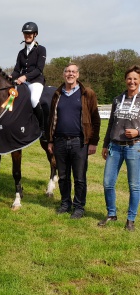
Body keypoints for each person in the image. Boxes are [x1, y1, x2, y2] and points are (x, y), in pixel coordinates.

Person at [47, 63, 101, 219]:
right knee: (63, 176)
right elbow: (51, 119)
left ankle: (79, 207)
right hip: (60, 142)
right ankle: (65, 203)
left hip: (80, 142)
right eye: (67, 71)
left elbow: (95, 120)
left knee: (79, 177)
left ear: (78, 75)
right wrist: (50, 141)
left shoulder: (87, 94)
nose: (70, 74)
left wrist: (93, 142)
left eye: (73, 72)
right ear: (63, 74)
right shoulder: (57, 94)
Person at [98, 65, 140, 231]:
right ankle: (111, 214)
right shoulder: (117, 99)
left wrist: (138, 131)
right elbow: (110, 124)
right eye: (129, 78)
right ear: (125, 80)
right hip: (114, 147)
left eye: (135, 79)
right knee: (108, 182)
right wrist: (105, 144)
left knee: (134, 186)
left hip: (134, 147)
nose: (132, 81)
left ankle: (130, 220)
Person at [10, 21, 46, 137]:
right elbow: (17, 70)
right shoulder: (21, 52)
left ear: (35, 34)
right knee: (11, 99)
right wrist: (11, 77)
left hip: (36, 81)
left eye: (30, 33)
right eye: (25, 33)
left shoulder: (41, 49)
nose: (27, 35)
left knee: (34, 100)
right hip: (23, 82)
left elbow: (39, 69)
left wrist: (24, 77)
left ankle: (42, 127)